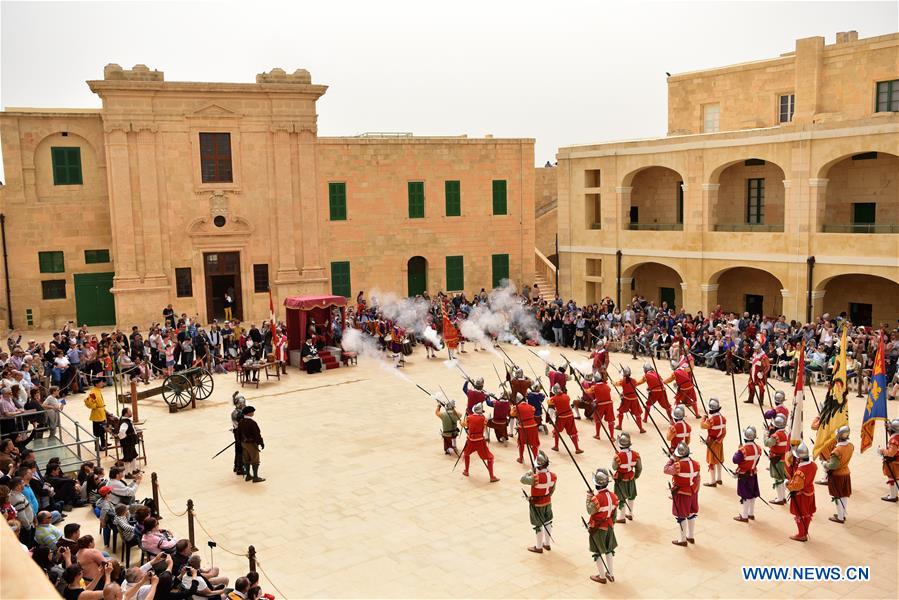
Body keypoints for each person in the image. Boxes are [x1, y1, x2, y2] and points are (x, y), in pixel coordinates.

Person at [585, 468, 617, 584]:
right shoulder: (613, 496)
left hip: (598, 528)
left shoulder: (596, 498)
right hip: (609, 526)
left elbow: (590, 510)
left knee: (597, 551)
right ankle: (611, 573)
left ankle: (602, 576)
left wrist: (589, 497)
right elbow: (614, 514)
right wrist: (611, 524)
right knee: (609, 550)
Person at [664, 442, 700, 547]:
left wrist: (671, 458)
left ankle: (682, 539)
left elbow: (666, 469)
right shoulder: (696, 464)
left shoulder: (677, 465)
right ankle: (691, 536)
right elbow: (697, 479)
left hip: (682, 493)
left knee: (681, 515)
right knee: (691, 513)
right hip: (693, 492)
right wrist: (695, 490)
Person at [520, 450, 555, 554]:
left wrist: (531, 471)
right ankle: (547, 544)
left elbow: (522, 479)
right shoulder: (553, 476)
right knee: (548, 521)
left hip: (537, 504)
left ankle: (539, 546)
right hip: (547, 501)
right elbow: (552, 490)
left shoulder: (535, 478)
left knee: (538, 525)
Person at [459, 403, 499, 482]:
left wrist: (460, 422)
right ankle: (492, 476)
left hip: (470, 440)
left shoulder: (469, 417)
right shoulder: (484, 419)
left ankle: (466, 471)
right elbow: (483, 429)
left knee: (466, 454)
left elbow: (464, 425)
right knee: (490, 458)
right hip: (480, 440)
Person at [785, 442, 817, 542]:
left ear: (800, 458)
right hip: (810, 492)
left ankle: (801, 534)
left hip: (801, 495)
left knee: (800, 514)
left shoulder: (800, 471)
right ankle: (805, 532)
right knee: (807, 514)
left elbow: (796, 486)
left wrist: (787, 483)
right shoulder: (813, 465)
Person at [823, 425, 853, 523]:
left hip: (837, 475)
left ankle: (840, 517)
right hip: (846, 472)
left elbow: (833, 465)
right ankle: (842, 514)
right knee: (844, 495)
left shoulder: (837, 450)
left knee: (837, 496)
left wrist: (825, 464)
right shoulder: (850, 446)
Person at [732, 426, 762, 522]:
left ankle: (744, 516)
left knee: (745, 495)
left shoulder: (743, 450)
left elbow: (735, 460)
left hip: (744, 474)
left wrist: (739, 450)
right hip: (753, 472)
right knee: (752, 494)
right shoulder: (758, 448)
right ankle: (751, 513)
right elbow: (756, 461)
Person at [611, 432, 641, 522]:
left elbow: (614, 467)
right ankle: (630, 513)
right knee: (631, 496)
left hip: (621, 480)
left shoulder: (618, 456)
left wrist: (616, 455)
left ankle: (622, 517)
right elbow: (639, 468)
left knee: (621, 498)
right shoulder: (636, 455)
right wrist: (635, 476)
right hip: (631, 478)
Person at [548, 383, 583, 454]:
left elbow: (551, 408)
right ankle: (577, 448)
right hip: (570, 416)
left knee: (556, 431)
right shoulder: (567, 396)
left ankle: (556, 446)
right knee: (573, 432)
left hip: (561, 417)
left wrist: (551, 418)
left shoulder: (553, 399)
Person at [699, 398, 726, 487]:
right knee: (719, 460)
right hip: (720, 441)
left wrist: (703, 418)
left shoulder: (712, 420)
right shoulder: (723, 418)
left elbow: (702, 426)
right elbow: (724, 431)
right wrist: (720, 439)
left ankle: (712, 481)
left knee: (712, 462)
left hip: (712, 442)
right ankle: (719, 478)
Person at [764, 414, 789, 504]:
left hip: (777, 459)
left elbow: (767, 443)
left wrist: (766, 434)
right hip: (784, 459)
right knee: (781, 478)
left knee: (778, 479)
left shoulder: (776, 435)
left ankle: (780, 498)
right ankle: (782, 497)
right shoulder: (786, 433)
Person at [613, 366, 645, 434]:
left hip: (626, 399)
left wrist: (613, 382)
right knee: (637, 414)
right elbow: (637, 383)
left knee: (621, 412)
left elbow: (616, 384)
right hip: (634, 399)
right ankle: (641, 428)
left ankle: (619, 426)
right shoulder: (633, 380)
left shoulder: (623, 381)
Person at [237, 406, 265, 483]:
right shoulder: (252, 423)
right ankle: (255, 477)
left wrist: (239, 442)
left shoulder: (241, 422)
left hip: (243, 443)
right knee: (255, 460)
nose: (253, 413)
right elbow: (257, 434)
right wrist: (261, 442)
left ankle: (248, 475)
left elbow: (238, 433)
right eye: (252, 412)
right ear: (249, 413)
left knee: (246, 459)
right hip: (251, 444)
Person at [512, 393, 540, 465]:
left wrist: (513, 407)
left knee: (521, 443)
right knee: (534, 444)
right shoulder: (531, 406)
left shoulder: (516, 407)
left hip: (523, 427)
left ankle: (521, 458)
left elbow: (512, 414)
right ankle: (535, 459)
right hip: (533, 426)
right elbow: (533, 412)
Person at [878, 418, 899, 502]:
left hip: (893, 462)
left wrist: (882, 451)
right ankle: (894, 494)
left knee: (892, 478)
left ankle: (893, 496)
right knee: (896, 478)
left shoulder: (894, 440)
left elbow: (891, 453)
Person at [84, 380, 108, 451]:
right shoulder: (93, 392)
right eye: (101, 382)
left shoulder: (98, 390)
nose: (102, 383)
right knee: (97, 432)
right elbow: (89, 403)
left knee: (103, 430)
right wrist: (96, 406)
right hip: (97, 414)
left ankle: (104, 443)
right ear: (96, 384)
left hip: (101, 413)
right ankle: (97, 446)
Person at [116, 407, 140, 478]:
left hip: (130, 442)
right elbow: (121, 433)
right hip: (127, 443)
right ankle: (127, 474)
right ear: (126, 413)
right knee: (127, 458)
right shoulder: (124, 423)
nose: (131, 412)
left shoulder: (126, 420)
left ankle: (134, 469)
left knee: (133, 455)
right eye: (130, 411)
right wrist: (126, 439)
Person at [591, 375, 614, 441]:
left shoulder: (594, 387)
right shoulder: (607, 386)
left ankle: (597, 435)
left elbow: (587, 391)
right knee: (610, 421)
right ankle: (612, 437)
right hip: (609, 404)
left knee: (598, 420)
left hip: (600, 405)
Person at [231, 392, 246, 475]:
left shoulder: (236, 412)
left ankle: (236, 466)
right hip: (240, 432)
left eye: (243, 403)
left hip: (237, 432)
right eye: (241, 403)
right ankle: (240, 468)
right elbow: (242, 423)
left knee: (238, 450)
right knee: (241, 450)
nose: (243, 404)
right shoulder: (238, 413)